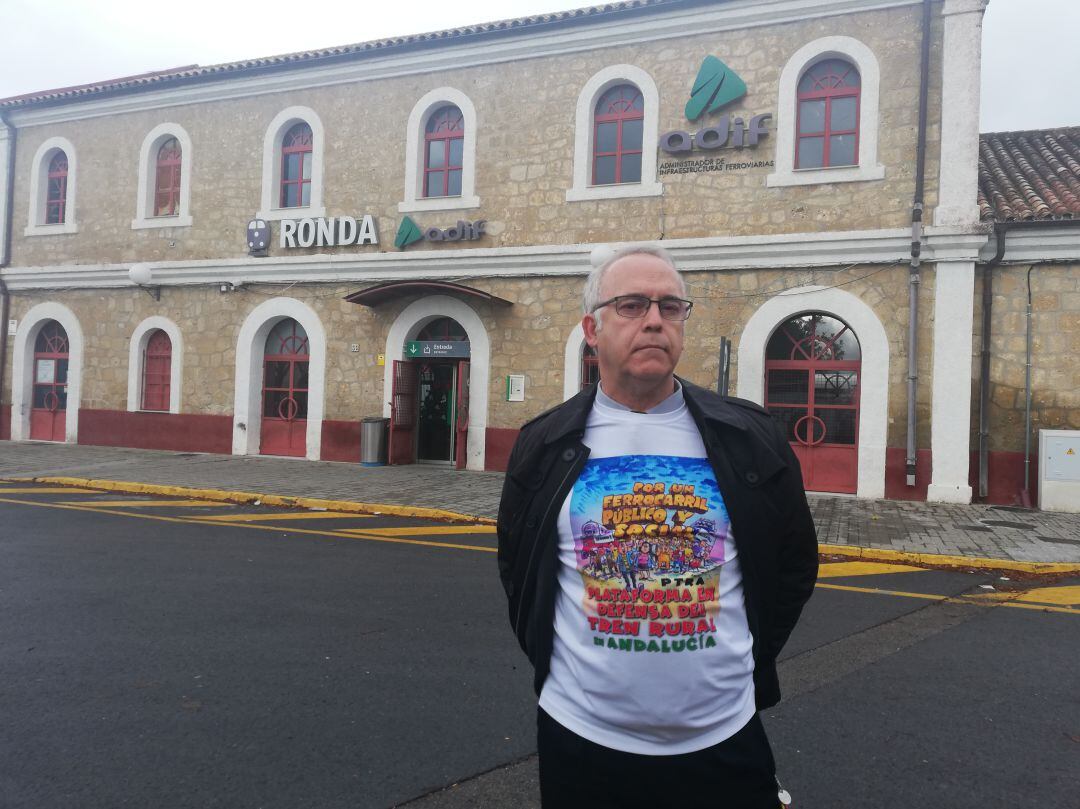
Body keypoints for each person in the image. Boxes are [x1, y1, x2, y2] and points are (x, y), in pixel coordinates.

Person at [497, 245, 817, 808]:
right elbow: (520, 571)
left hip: (723, 738)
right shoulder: (543, 444)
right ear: (591, 329)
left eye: (670, 306)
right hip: (582, 740)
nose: (653, 320)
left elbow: (791, 567)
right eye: (631, 305)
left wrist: (742, 661)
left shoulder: (751, 437)